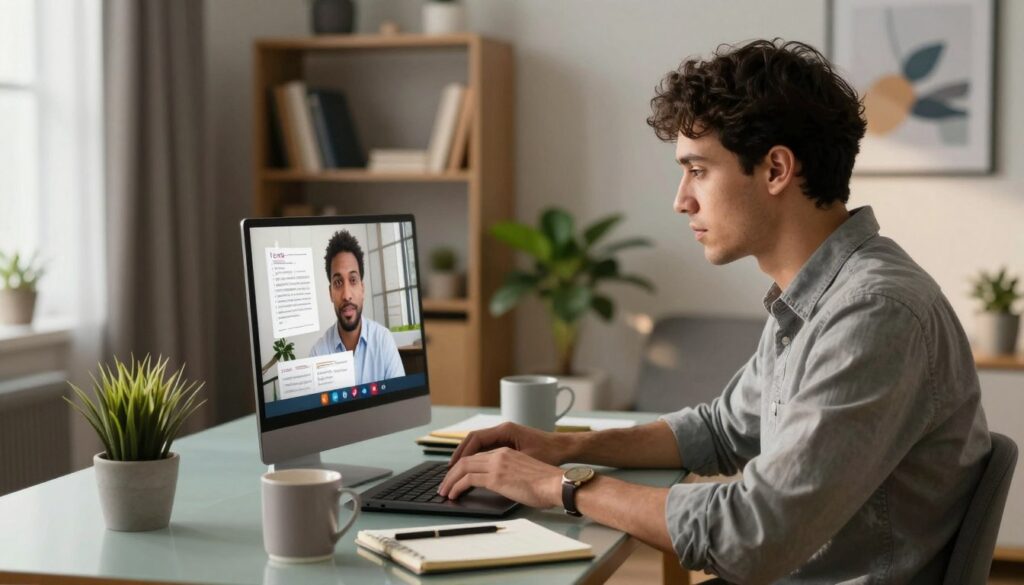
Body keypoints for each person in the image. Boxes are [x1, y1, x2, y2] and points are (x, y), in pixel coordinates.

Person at [438, 39, 990, 584]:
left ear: (776, 169)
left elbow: (752, 534)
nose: (682, 200)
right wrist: (563, 447)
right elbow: (722, 430)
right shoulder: (814, 297)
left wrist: (559, 486)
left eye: (698, 170)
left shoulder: (871, 314)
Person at [310, 229, 405, 385]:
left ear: (362, 289)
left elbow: (400, 404)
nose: (347, 295)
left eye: (353, 280)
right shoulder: (318, 354)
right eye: (338, 283)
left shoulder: (383, 341)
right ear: (330, 293)